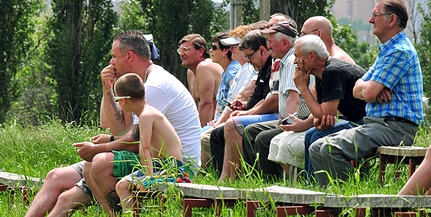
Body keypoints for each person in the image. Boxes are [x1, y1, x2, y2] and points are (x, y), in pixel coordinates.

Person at [310, 0, 423, 187]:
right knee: (317, 147)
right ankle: (332, 200)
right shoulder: (387, 51)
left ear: (392, 20)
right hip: (378, 125)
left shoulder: (399, 51)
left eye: (375, 15)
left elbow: (368, 93)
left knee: (330, 149)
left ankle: (347, 199)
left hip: (395, 128)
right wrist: (370, 88)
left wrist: (369, 89)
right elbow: (357, 88)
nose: (370, 20)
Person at [281, 35, 366, 181]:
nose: (295, 61)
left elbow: (322, 114)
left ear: (311, 56)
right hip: (358, 121)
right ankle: (311, 182)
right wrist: (318, 120)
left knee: (317, 136)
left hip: (367, 123)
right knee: (310, 134)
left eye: (297, 56)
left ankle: (319, 186)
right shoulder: (323, 73)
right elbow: (322, 118)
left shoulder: (333, 72)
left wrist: (302, 87)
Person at [241, 17, 313, 179]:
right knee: (250, 131)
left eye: (271, 42)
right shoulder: (284, 60)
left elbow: (293, 98)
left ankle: (270, 183)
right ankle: (253, 178)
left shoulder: (292, 60)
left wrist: (288, 125)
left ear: (285, 44)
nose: (268, 46)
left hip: (300, 119)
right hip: (288, 117)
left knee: (263, 139)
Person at [210, 29, 280, 181]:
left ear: (261, 50)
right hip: (269, 113)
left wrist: (248, 113)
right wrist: (245, 106)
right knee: (224, 128)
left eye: (249, 56)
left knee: (233, 124)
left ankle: (234, 178)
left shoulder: (273, 66)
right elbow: (258, 97)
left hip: (277, 114)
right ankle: (225, 177)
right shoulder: (262, 67)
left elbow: (273, 100)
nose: (248, 61)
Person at [113, 73, 184, 214]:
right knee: (122, 186)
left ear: (124, 101)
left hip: (171, 167)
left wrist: (149, 179)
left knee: (124, 186)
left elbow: (144, 148)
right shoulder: (147, 113)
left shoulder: (146, 115)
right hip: (161, 165)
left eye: (117, 100)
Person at [200, 26, 257, 167]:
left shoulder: (240, 70)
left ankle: (223, 174)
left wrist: (219, 122)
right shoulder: (241, 69)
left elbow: (238, 100)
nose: (231, 49)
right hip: (225, 118)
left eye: (235, 46)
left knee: (205, 136)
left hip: (234, 118)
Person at [178, 34, 223, 127]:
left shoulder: (205, 66)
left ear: (201, 51)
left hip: (217, 125)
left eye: (186, 50)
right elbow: (195, 104)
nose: (182, 54)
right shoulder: (190, 72)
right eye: (180, 50)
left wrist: (199, 135)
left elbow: (207, 105)